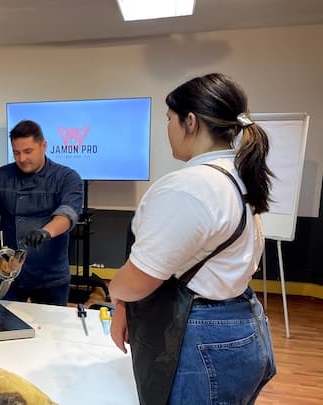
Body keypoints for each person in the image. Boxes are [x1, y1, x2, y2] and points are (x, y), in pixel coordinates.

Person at [109, 73, 277, 404]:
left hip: (202, 338)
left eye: (169, 119)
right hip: (244, 324)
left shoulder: (190, 186)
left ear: (190, 121)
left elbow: (138, 280)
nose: (168, 129)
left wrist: (116, 293)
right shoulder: (237, 176)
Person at [0, 120, 83, 306]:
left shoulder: (67, 177)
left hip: (50, 275)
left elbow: (68, 214)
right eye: (16, 152)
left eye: (28, 151)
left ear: (43, 146)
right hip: (7, 270)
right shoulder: (0, 176)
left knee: (49, 323)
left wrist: (46, 232)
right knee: (1, 319)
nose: (22, 158)